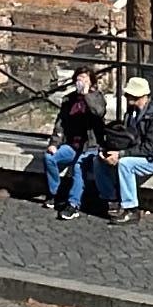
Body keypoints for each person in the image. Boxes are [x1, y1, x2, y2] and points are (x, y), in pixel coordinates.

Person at [42, 68, 107, 218]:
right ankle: (55, 193)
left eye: (85, 78)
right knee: (50, 158)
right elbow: (61, 123)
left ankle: (73, 204)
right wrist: (54, 143)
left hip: (90, 145)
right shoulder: (69, 100)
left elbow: (99, 113)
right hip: (72, 144)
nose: (81, 81)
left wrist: (86, 96)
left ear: (91, 82)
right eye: (79, 78)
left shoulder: (97, 98)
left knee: (78, 168)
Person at [112, 72, 153, 214]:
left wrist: (122, 154)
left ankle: (131, 208)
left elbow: (151, 147)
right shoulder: (131, 112)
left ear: (140, 96)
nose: (127, 98)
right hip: (138, 152)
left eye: (130, 95)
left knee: (125, 164)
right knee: (100, 162)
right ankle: (110, 199)